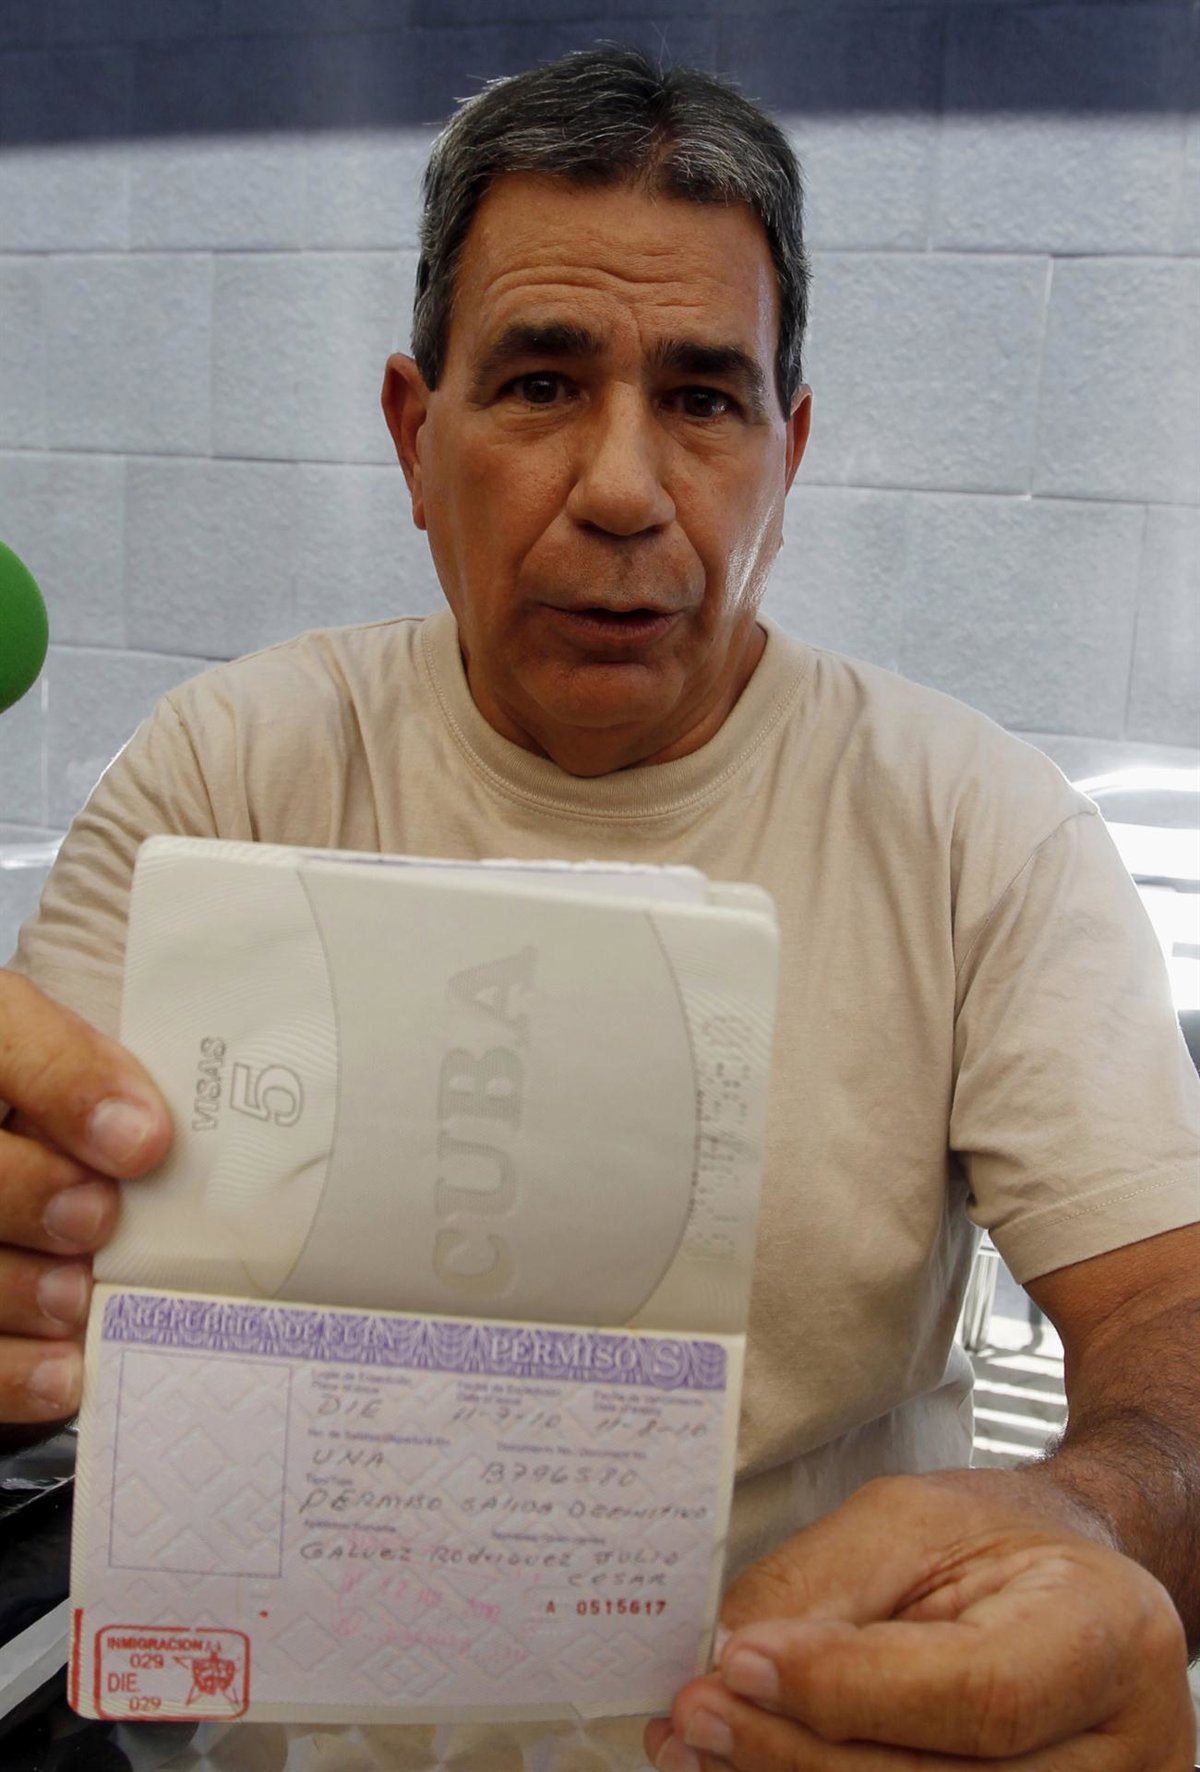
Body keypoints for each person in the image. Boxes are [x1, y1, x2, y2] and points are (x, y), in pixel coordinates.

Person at [2, 45, 1198, 1772]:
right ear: (417, 436)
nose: (625, 487)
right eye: (543, 384)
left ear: (788, 453)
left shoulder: (975, 830)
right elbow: (39, 1239)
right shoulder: (227, 774)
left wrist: (1097, 1518)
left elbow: (1172, 1315)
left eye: (704, 401)